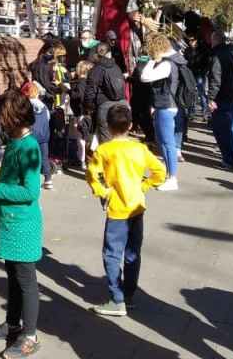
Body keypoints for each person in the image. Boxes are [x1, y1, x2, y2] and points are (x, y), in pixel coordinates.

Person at [0, 89, 44, 357]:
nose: (0, 122)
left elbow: (30, 192)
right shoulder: (16, 143)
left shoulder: (29, 147)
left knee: (26, 282)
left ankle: (30, 335)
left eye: (2, 117)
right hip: (10, 222)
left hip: (23, 225)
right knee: (13, 277)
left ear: (14, 117)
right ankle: (12, 324)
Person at [85, 105, 166, 317]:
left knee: (112, 254)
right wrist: (144, 186)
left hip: (117, 209)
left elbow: (92, 174)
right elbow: (160, 171)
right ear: (130, 126)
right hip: (137, 207)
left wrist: (103, 192)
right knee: (132, 252)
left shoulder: (104, 150)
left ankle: (117, 299)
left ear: (108, 126)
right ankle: (128, 295)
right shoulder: (139, 148)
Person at [140, 32, 185, 191]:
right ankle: (169, 176)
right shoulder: (173, 60)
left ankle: (172, 178)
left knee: (167, 143)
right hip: (166, 105)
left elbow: (145, 77)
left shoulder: (167, 64)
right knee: (164, 143)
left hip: (166, 106)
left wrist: (152, 60)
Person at [207, 27, 233, 169]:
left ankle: (230, 160)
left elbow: (215, 79)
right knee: (229, 129)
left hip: (222, 98)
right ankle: (231, 158)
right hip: (232, 96)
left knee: (221, 130)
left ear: (215, 40)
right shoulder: (232, 55)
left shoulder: (218, 56)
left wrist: (211, 98)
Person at [85, 42, 128, 149]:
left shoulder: (96, 70)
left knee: (106, 143)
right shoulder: (117, 67)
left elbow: (90, 92)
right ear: (109, 53)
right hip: (122, 104)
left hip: (105, 106)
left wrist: (89, 107)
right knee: (121, 139)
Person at [23, 80, 53, 190]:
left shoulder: (26, 106)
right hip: (44, 135)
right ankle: (48, 180)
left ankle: (34, 182)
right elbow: (48, 118)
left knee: (31, 159)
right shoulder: (43, 105)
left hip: (31, 136)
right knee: (44, 158)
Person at [67, 60, 95, 168]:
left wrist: (69, 91)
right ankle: (83, 158)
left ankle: (82, 159)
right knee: (84, 137)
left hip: (81, 113)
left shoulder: (82, 82)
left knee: (81, 138)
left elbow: (79, 96)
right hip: (83, 113)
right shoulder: (87, 81)